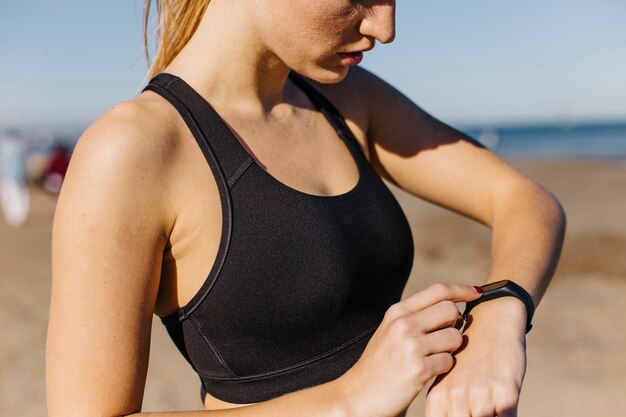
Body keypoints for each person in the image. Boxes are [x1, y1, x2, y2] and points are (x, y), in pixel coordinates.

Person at [45, 1, 566, 416]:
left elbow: (524, 200)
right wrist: (348, 399)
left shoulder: (344, 99)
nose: (385, 27)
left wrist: (502, 309)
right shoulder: (135, 148)